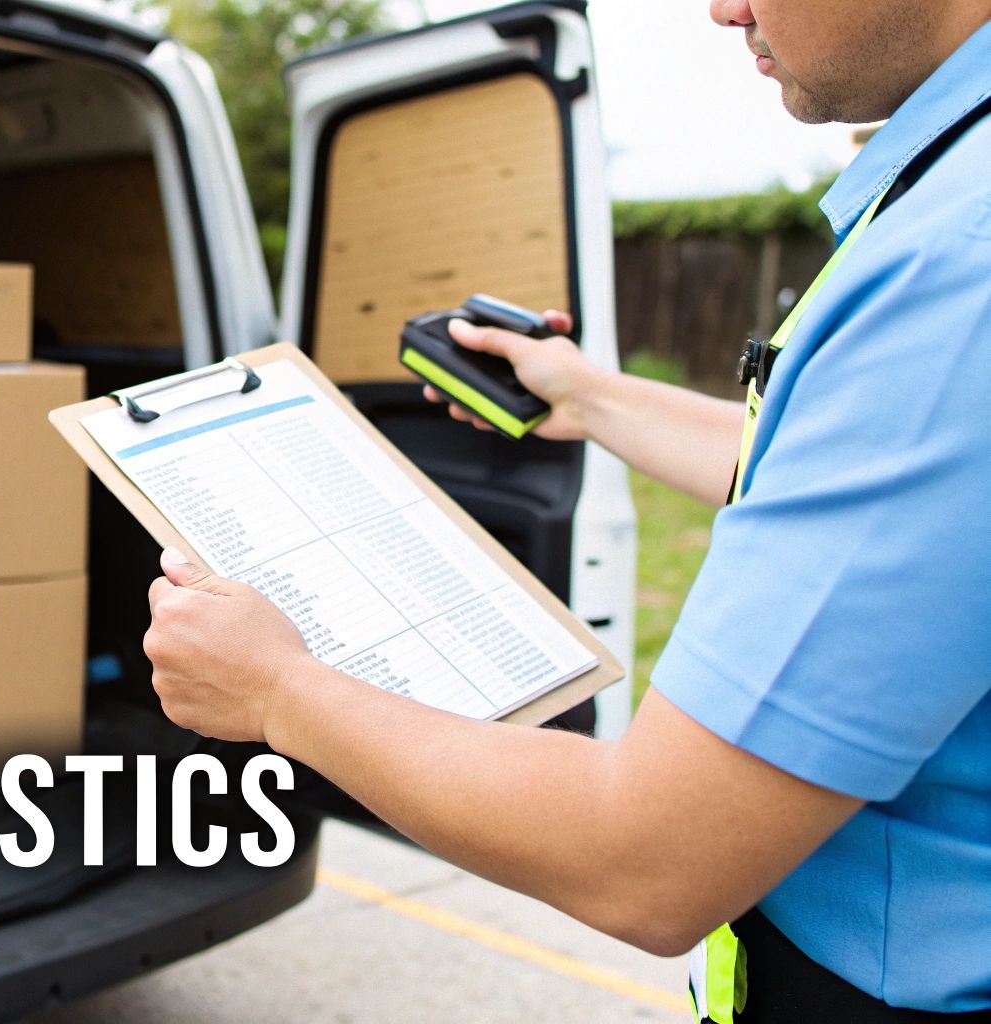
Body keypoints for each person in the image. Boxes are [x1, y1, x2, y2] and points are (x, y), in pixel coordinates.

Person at [140, 0, 991, 1019]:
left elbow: (651, 856)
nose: (722, 9)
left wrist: (276, 691)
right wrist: (585, 395)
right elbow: (846, 478)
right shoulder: (949, 198)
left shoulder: (959, 270)